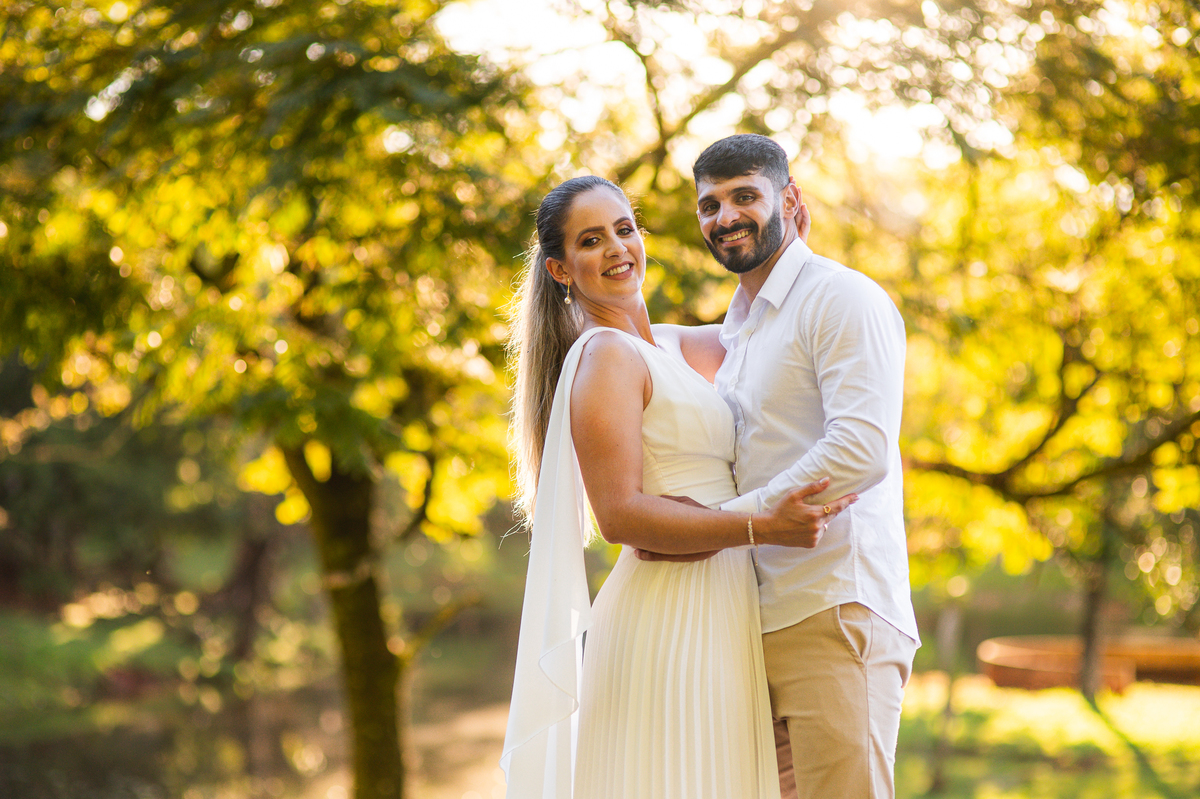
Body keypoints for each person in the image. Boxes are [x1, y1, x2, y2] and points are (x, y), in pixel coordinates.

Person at [499, 175, 855, 798]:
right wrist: (761, 527)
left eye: (624, 229)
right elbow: (620, 516)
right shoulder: (605, 354)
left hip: (725, 604)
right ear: (560, 270)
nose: (616, 248)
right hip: (667, 615)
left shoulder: (664, 344)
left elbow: (763, 330)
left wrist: (788, 250)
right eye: (591, 240)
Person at [637, 134, 920, 799]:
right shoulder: (735, 331)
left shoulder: (841, 299)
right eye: (708, 205)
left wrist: (718, 524)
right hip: (753, 619)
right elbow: (625, 338)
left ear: (791, 201)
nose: (724, 217)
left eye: (744, 196)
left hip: (834, 605)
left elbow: (861, 448)